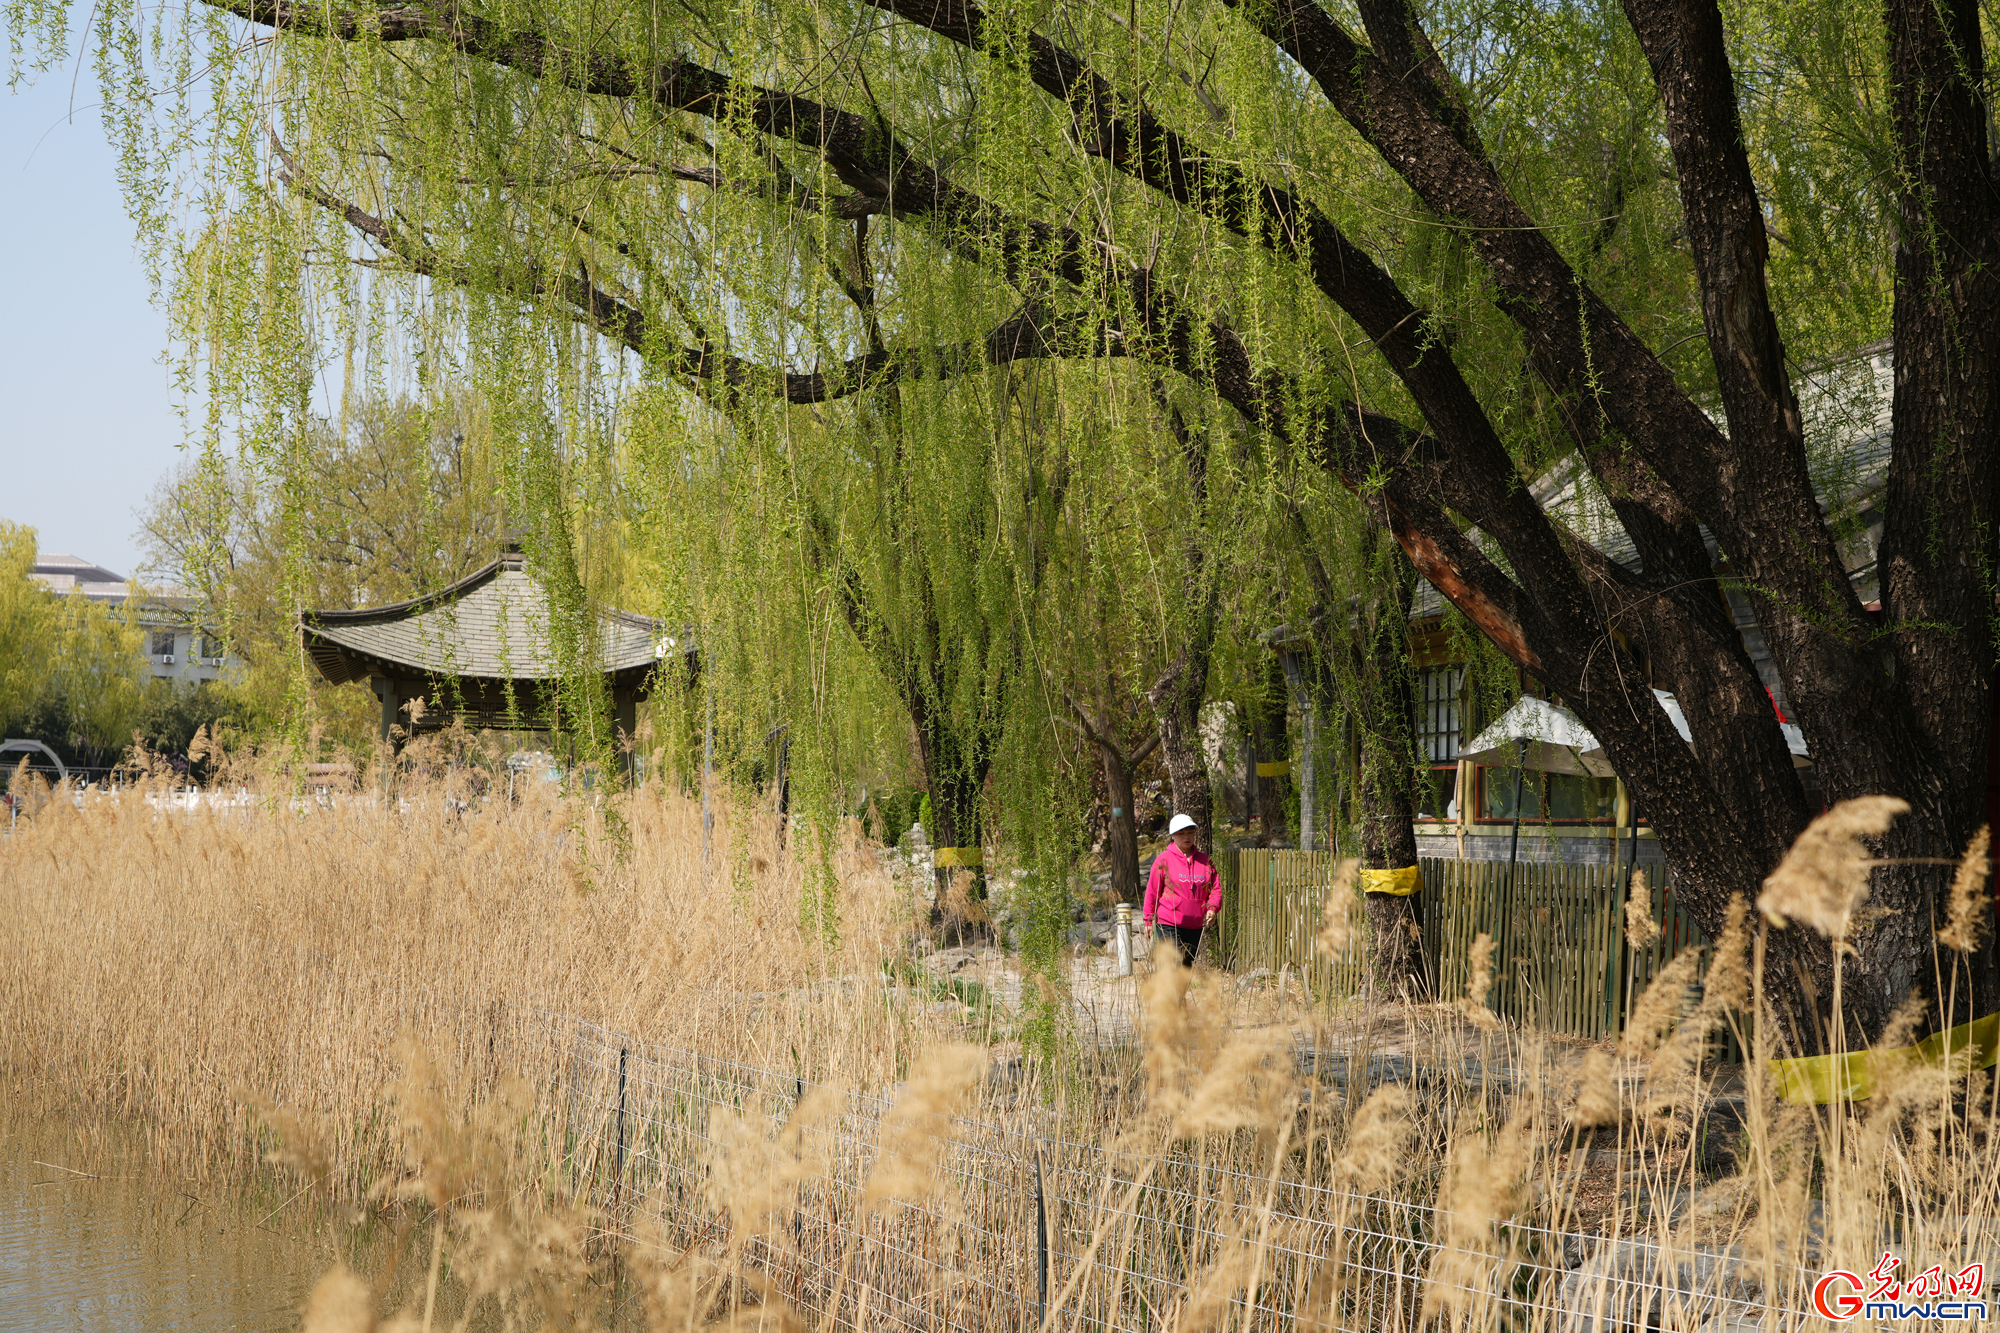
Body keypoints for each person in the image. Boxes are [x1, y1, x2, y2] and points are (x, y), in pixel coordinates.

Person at [1144, 813, 1221, 969]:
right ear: (1173, 835)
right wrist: (1148, 919)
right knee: (1175, 964)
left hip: (1194, 925)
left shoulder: (1205, 861)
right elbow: (1152, 891)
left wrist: (1212, 908)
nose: (1187, 836)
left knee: (1186, 967)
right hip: (1168, 922)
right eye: (1181, 833)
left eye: (1190, 832)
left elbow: (1215, 888)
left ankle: (1176, 994)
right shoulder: (1163, 860)